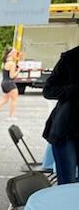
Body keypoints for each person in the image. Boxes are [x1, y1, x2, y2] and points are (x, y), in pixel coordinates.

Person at [42, 44, 79, 183]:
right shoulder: (70, 58)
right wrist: (74, 89)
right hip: (66, 130)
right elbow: (48, 90)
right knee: (66, 183)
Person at [0, 47, 21, 120]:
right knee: (14, 99)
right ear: (11, 54)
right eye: (14, 52)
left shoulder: (4, 63)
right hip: (10, 83)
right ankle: (11, 116)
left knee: (5, 99)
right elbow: (12, 76)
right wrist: (18, 70)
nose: (16, 54)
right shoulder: (12, 63)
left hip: (4, 83)